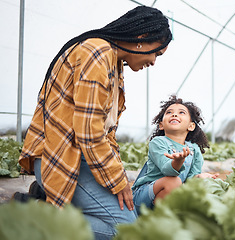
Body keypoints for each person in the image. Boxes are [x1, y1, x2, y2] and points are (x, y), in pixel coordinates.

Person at [17, 5, 172, 240]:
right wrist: (118, 182)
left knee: (128, 218)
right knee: (125, 232)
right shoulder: (97, 53)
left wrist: (119, 176)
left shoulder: (115, 63)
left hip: (82, 160)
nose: (153, 61)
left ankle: (44, 198)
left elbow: (106, 134)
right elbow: (89, 133)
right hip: (60, 158)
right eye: (156, 53)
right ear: (142, 38)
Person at [132, 95, 219, 215]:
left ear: (191, 126)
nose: (174, 115)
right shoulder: (158, 142)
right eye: (169, 112)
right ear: (161, 125)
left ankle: (167, 220)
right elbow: (167, 170)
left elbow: (189, 182)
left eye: (181, 112)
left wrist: (199, 177)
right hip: (143, 199)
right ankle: (156, 220)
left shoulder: (194, 150)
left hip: (170, 198)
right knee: (173, 181)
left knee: (197, 188)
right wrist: (177, 162)